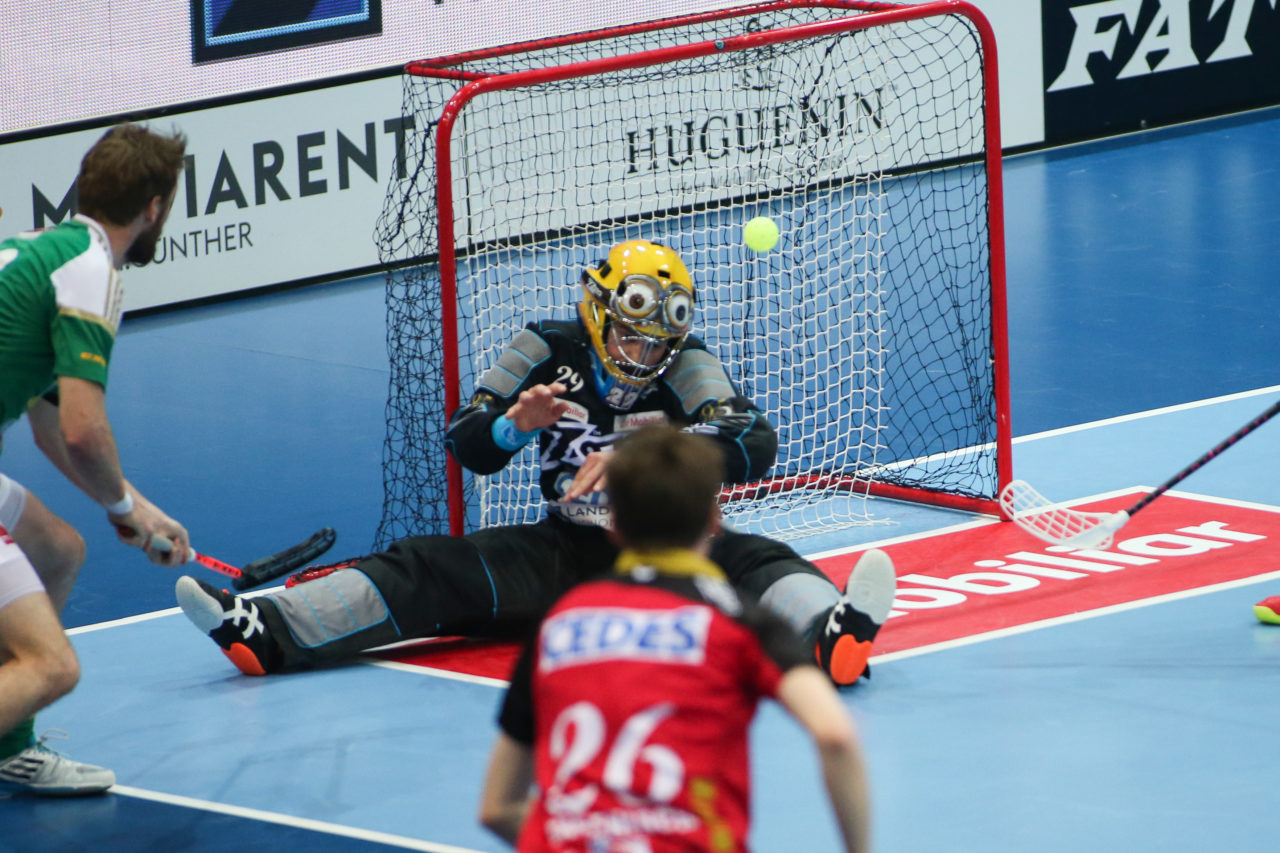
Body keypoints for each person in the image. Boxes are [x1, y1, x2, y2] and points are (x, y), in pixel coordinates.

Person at [175, 239, 895, 687]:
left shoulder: (690, 366)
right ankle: (267, 631)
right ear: (597, 313)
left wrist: (648, 457)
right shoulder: (544, 348)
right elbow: (467, 441)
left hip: (679, 555)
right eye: (632, 338)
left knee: (763, 559)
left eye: (657, 346)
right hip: (567, 554)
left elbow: (751, 439)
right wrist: (517, 425)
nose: (643, 357)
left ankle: (837, 633)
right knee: (428, 565)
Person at [478, 425, 872, 852]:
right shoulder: (738, 620)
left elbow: (496, 810)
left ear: (615, 526)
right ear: (713, 519)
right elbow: (835, 734)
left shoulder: (558, 622)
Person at [0, 124, 191, 796]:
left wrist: (134, 508)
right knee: (55, 667)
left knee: (57, 550)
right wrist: (119, 506)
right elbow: (84, 430)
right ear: (154, 208)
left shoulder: (41, 249)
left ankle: (9, 743)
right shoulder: (91, 271)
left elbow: (48, 418)